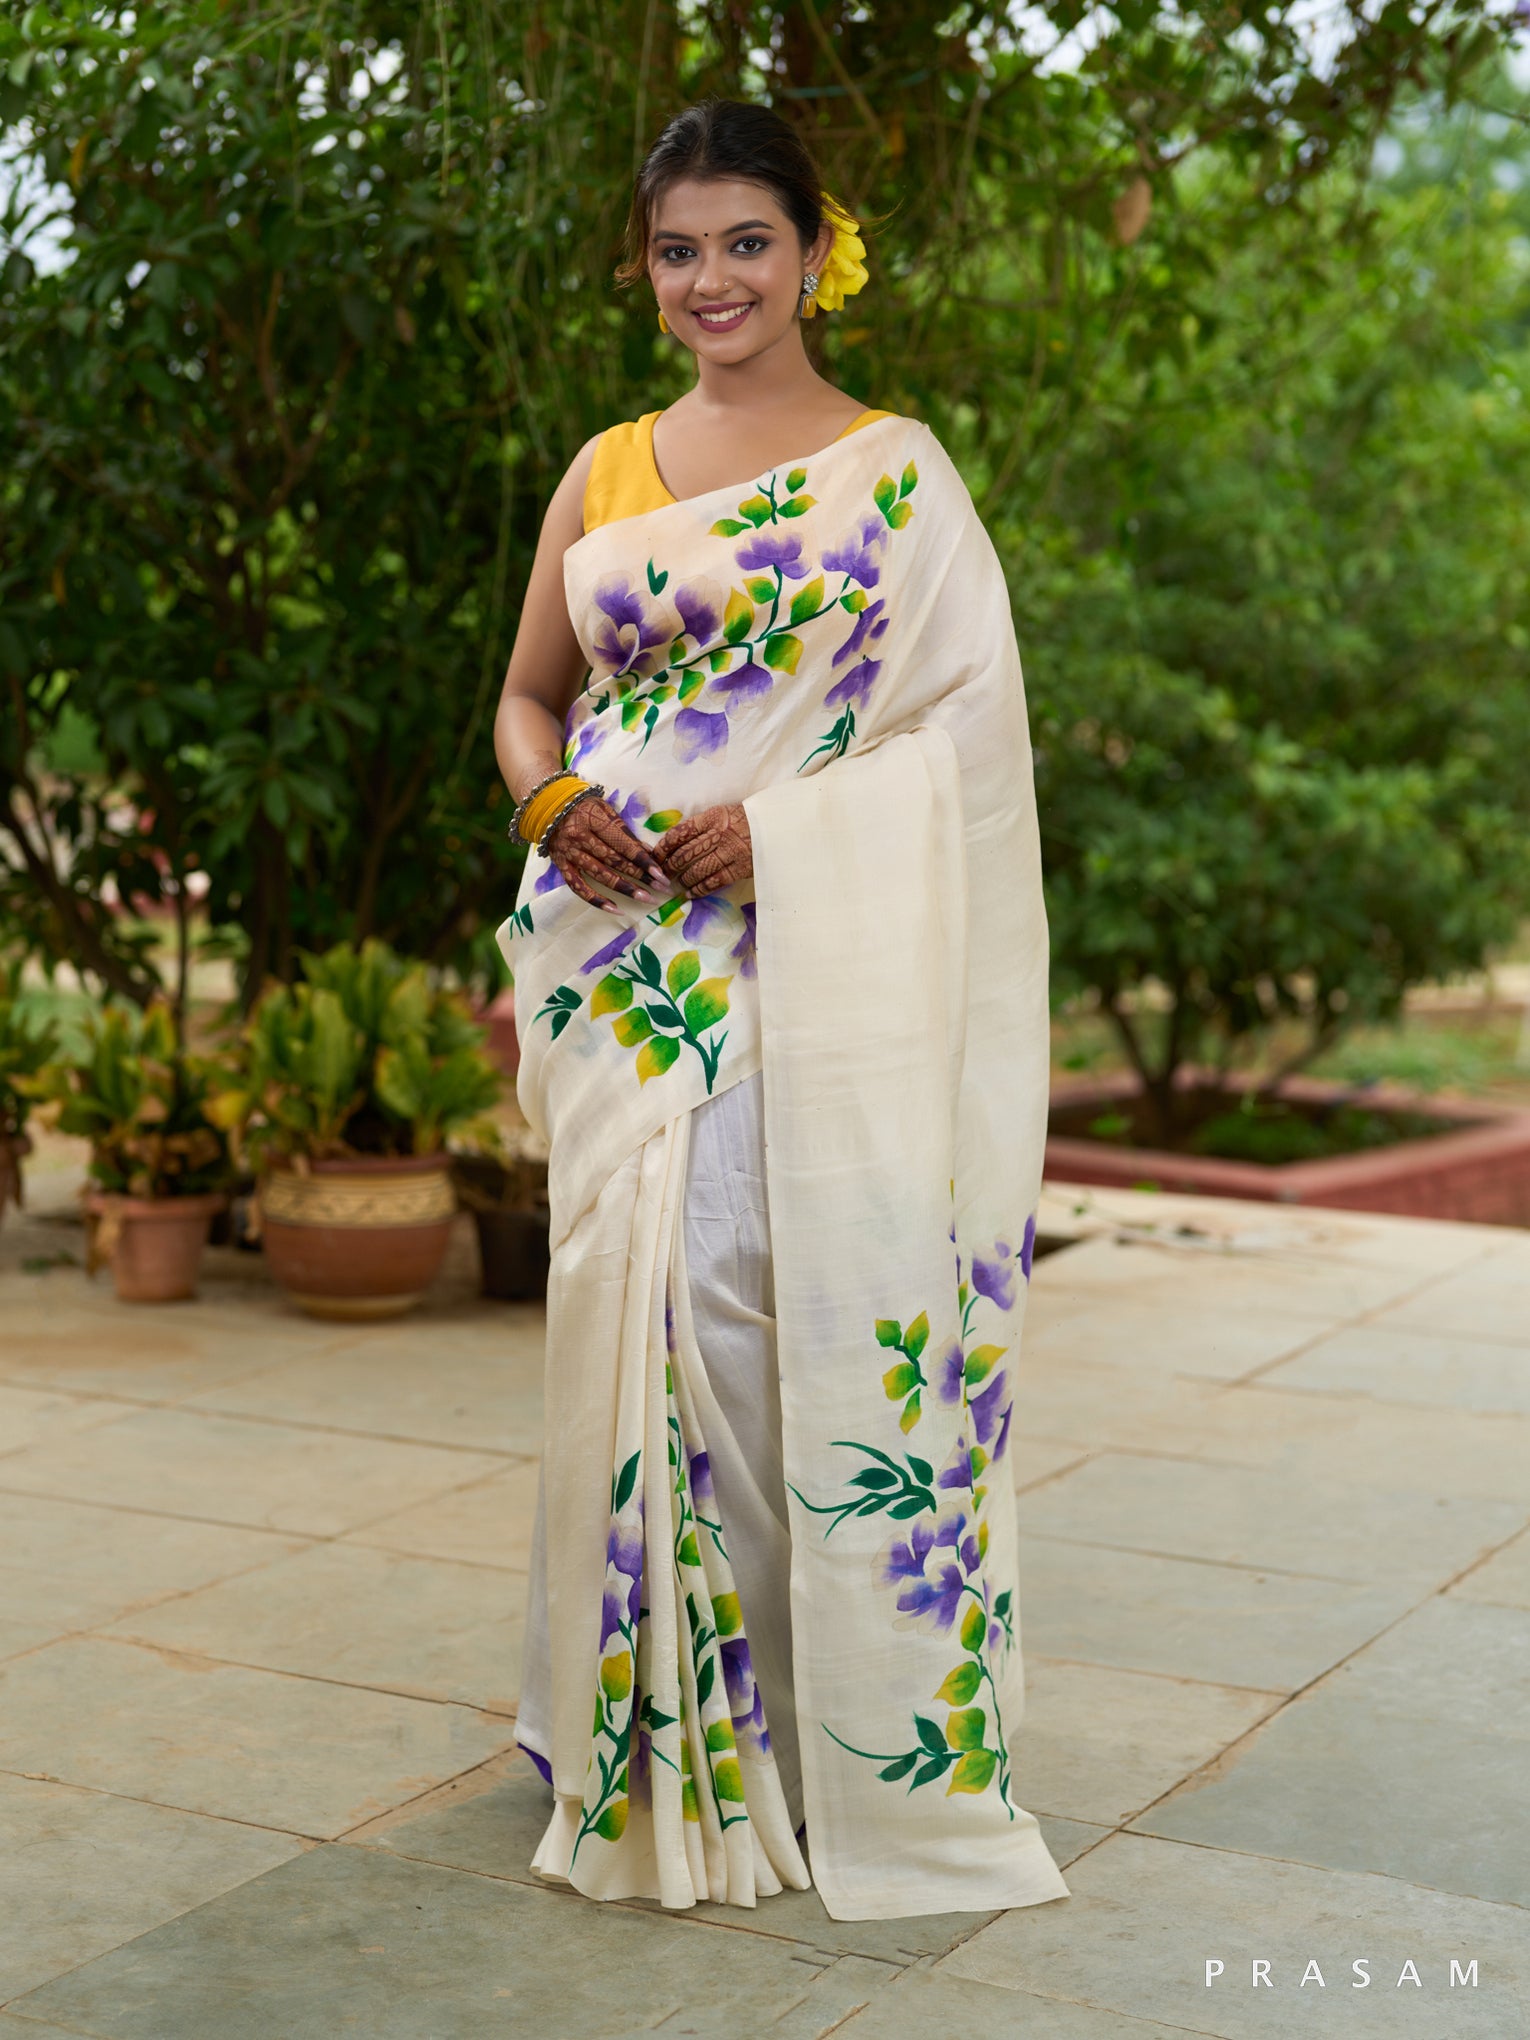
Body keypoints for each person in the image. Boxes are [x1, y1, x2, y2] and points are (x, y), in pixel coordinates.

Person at [492, 98, 1067, 1925]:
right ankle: (637, 1723)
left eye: (747, 242)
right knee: (629, 1316)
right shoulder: (606, 471)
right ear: (642, 270)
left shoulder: (896, 476)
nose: (712, 280)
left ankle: (813, 1733)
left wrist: (790, 834)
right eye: (679, 250)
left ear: (813, 254)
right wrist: (543, 803)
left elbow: (960, 747)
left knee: (752, 1309)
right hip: (618, 969)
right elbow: (524, 699)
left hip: (805, 965)